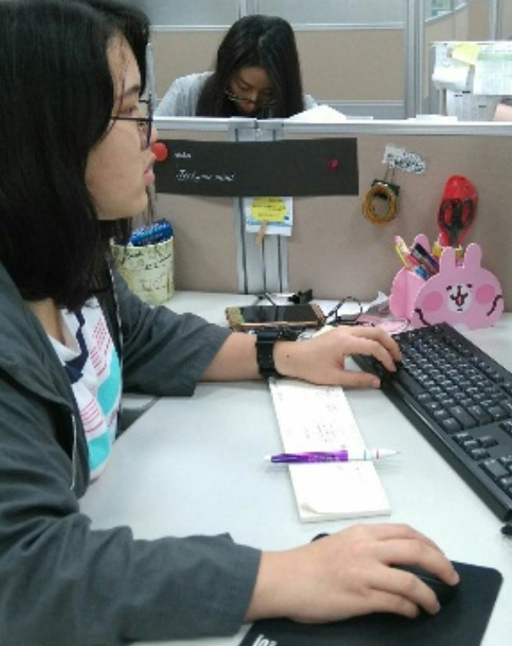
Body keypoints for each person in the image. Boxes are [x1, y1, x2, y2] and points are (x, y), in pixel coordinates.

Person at [0, 2, 458, 645]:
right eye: (129, 110)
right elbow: (30, 574)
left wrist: (286, 354)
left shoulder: (68, 261)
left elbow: (142, 336)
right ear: (51, 135)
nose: (152, 134)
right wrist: (285, 576)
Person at [155, 14, 316, 119]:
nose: (252, 102)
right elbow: (150, 144)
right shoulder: (187, 94)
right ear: (226, 71)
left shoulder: (305, 111)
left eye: (268, 93)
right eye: (244, 87)